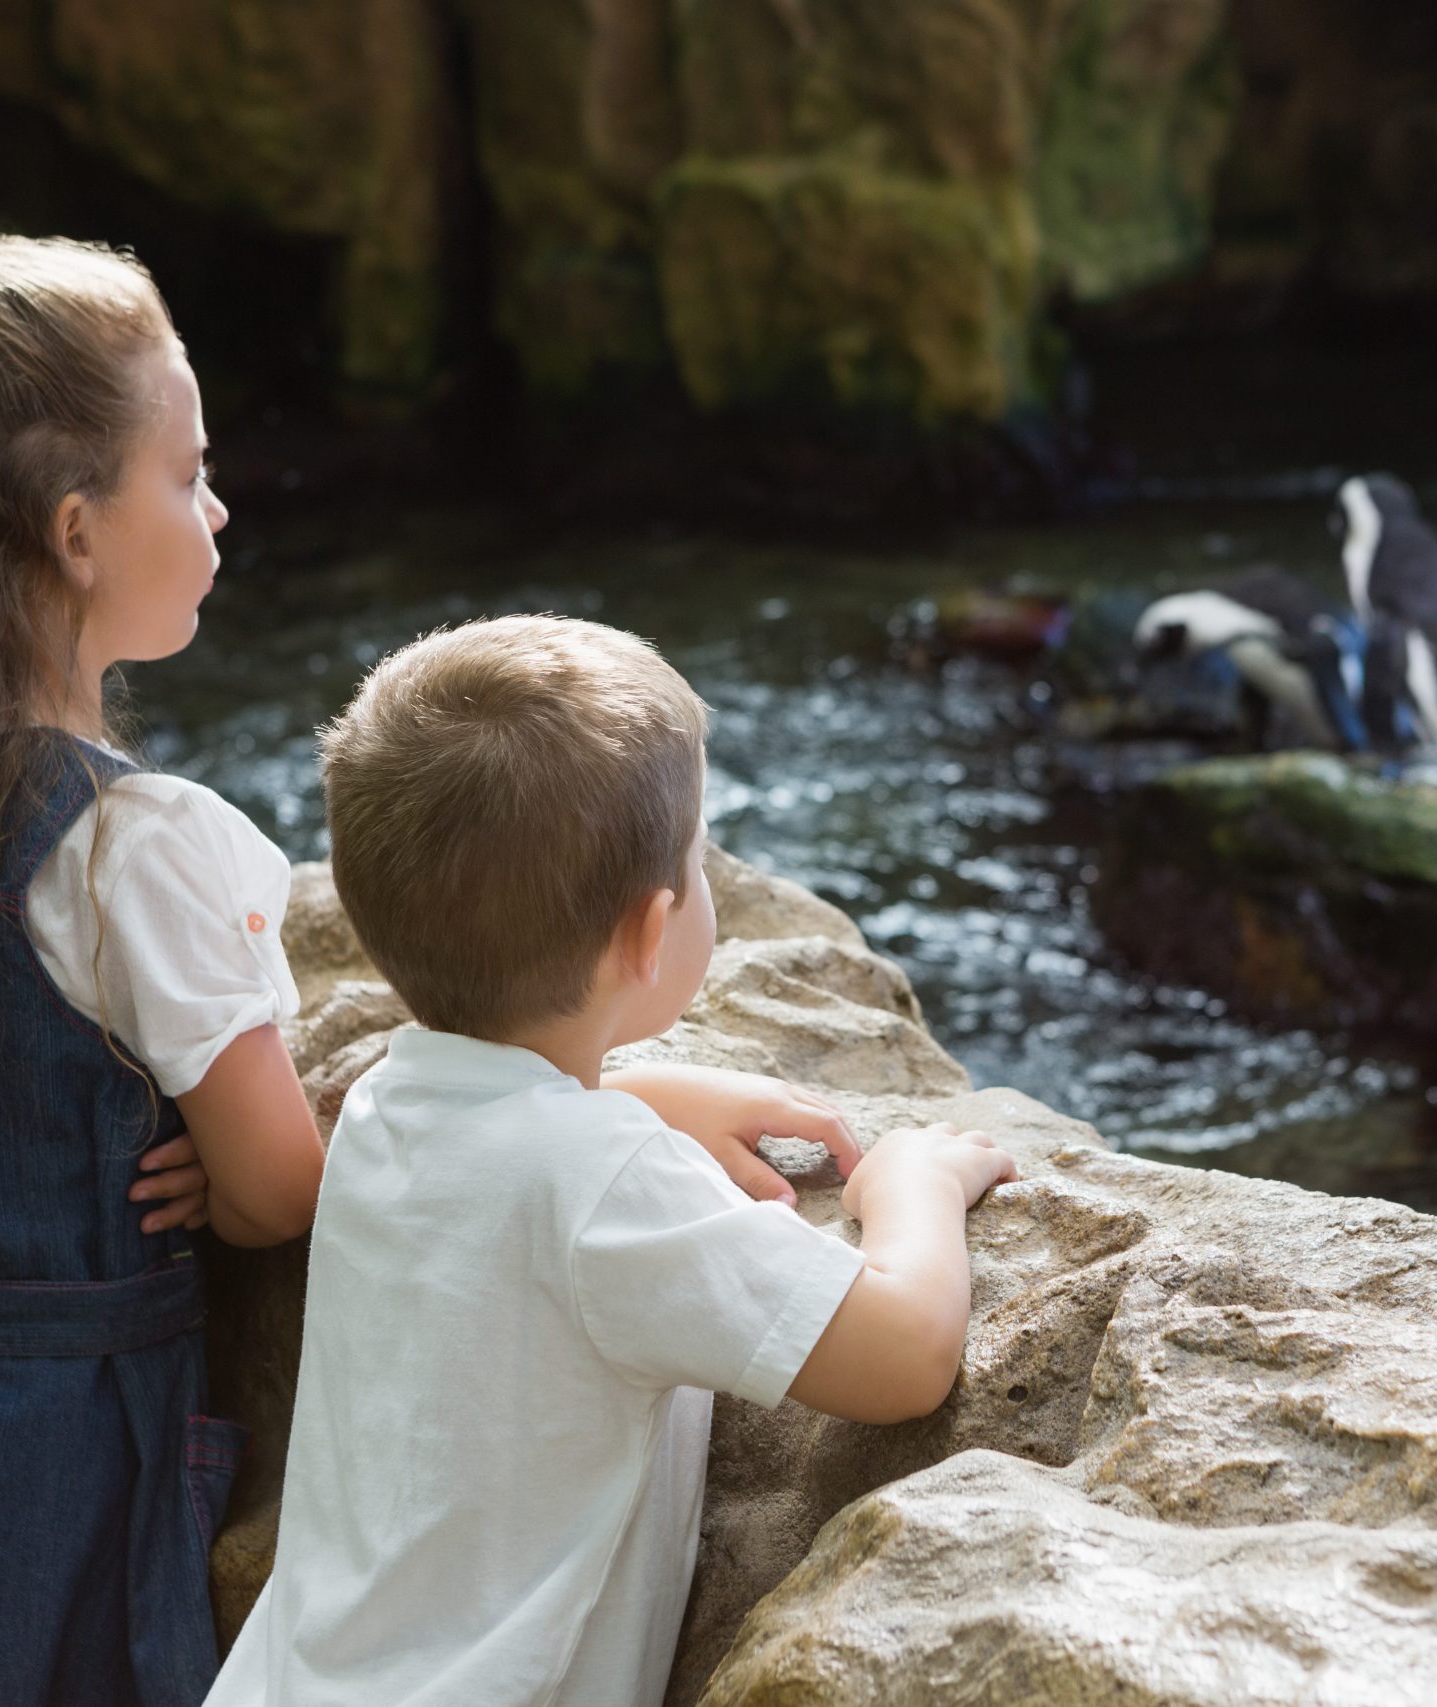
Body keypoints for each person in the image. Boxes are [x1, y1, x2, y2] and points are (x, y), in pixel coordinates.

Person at [0, 203, 863, 1707]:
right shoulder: (139, 845)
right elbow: (284, 1184)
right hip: (38, 1488)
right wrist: (599, 1104)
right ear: (73, 531)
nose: (223, 510)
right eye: (187, 476)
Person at [208, 615, 1016, 1707]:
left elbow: (507, 1150)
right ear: (647, 935)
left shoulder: (385, 1109)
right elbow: (905, 1354)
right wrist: (911, 1184)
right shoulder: (613, 1188)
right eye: (699, 858)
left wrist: (640, 1094)